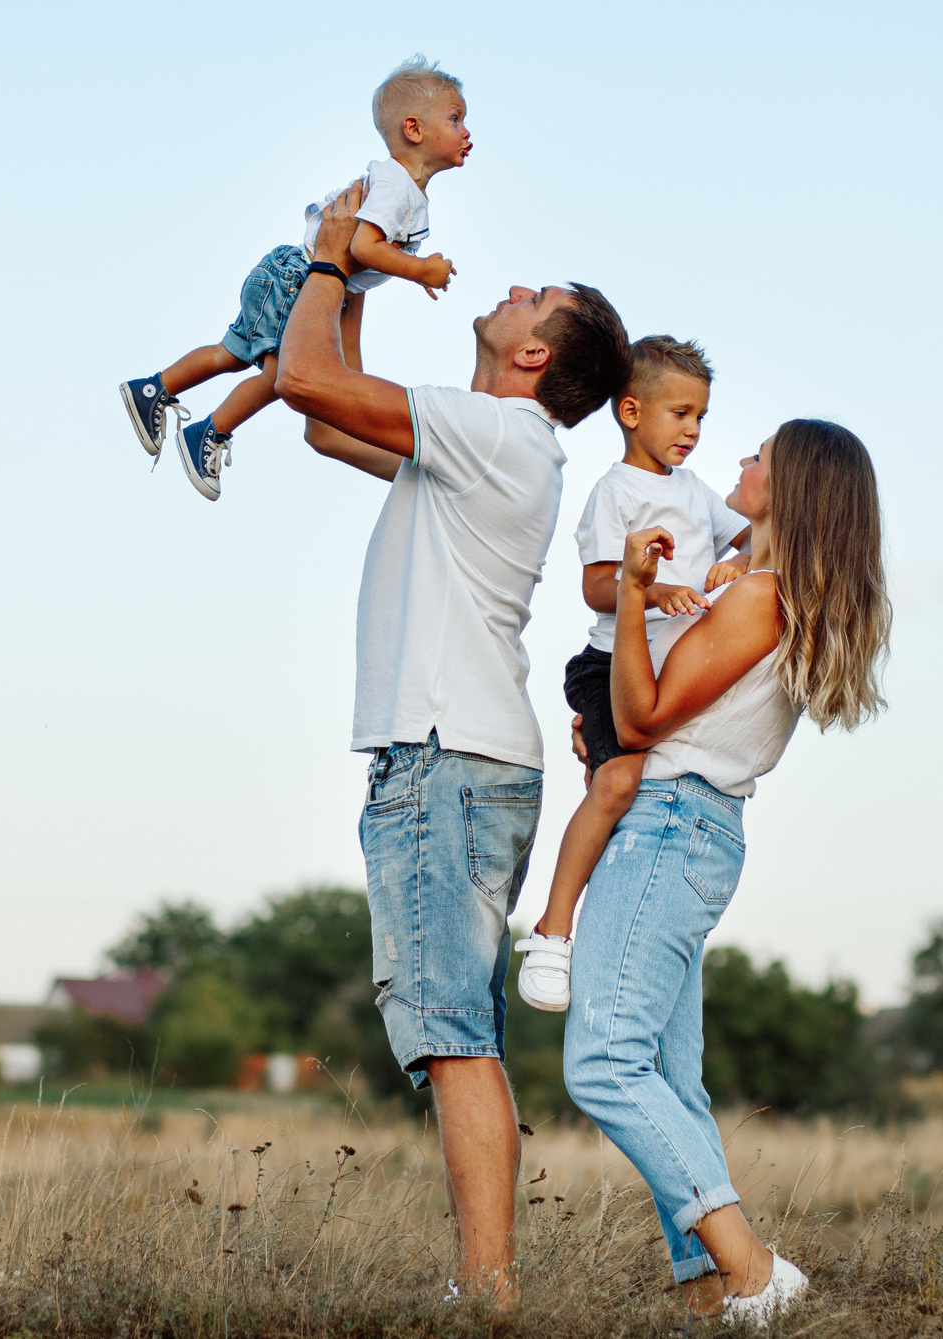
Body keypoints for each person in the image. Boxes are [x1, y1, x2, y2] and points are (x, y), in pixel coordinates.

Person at [276, 183, 628, 1305]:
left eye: (537, 298)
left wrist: (332, 259)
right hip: (457, 758)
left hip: (446, 757)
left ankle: (487, 1290)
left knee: (452, 1033)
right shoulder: (477, 443)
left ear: (535, 357)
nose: (512, 288)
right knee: (453, 1027)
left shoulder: (499, 433)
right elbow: (329, 420)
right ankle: (486, 1283)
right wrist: (363, 288)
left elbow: (297, 379)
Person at [560, 419, 891, 1328]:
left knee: (602, 1063)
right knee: (668, 1072)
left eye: (762, 453)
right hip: (690, 827)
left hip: (670, 827)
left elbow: (642, 714)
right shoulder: (755, 588)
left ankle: (751, 1270)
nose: (742, 458)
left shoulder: (757, 598)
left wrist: (630, 594)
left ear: (797, 487)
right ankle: (707, 1294)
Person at [514, 335, 750, 1012]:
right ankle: (553, 930)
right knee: (618, 778)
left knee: (635, 792)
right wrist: (651, 587)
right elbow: (593, 587)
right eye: (679, 413)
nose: (693, 430)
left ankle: (616, 931)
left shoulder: (698, 491)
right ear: (630, 410)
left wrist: (739, 560)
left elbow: (756, 537)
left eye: (700, 416)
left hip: (665, 676)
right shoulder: (614, 492)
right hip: (610, 663)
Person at [115, 56, 467, 500]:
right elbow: (360, 247)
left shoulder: (400, 188)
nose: (466, 131)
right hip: (300, 277)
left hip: (292, 274)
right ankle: (208, 431)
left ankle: (153, 389)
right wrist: (420, 271)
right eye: (455, 119)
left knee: (231, 354)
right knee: (279, 375)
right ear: (414, 129)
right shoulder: (398, 188)